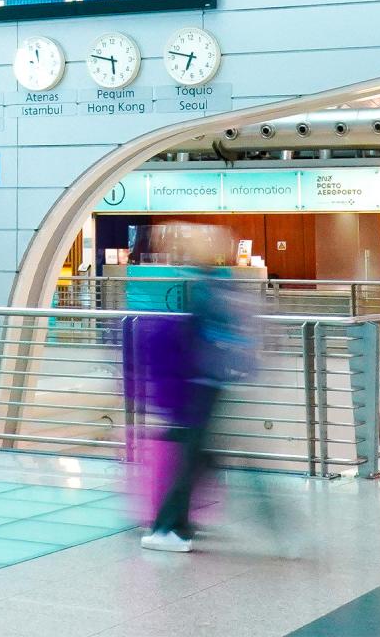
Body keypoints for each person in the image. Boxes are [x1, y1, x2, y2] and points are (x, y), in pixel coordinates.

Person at [136, 222, 257, 553]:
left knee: (190, 458)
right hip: (215, 381)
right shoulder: (223, 283)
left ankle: (169, 528)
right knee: (199, 455)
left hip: (200, 383)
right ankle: (177, 524)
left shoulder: (206, 288)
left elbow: (199, 337)